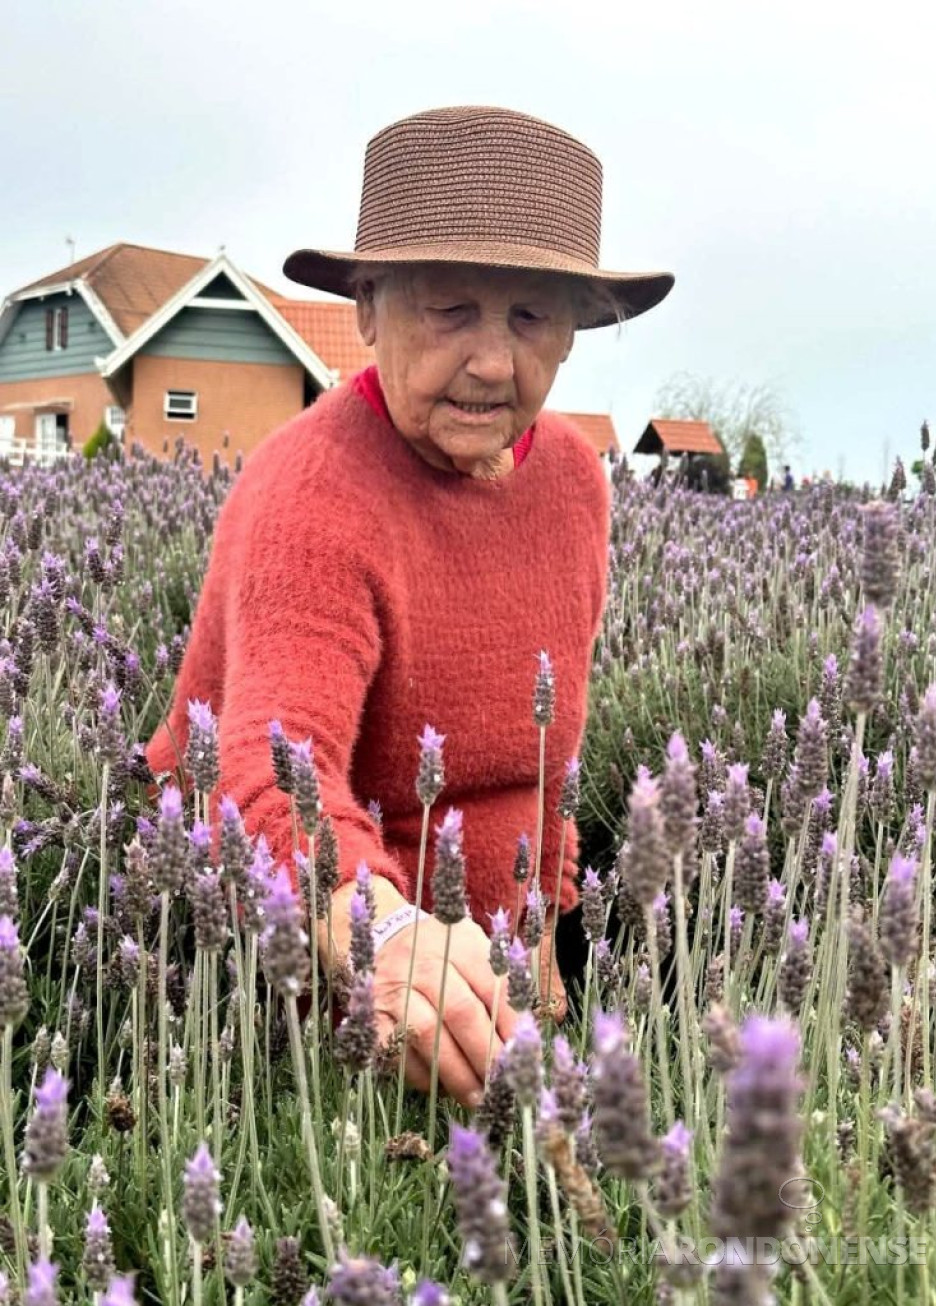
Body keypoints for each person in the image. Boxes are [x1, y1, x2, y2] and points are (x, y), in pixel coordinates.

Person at [143, 105, 674, 1107]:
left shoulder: (572, 482)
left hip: (494, 976)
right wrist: (383, 933)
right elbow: (267, 771)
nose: (489, 360)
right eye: (449, 310)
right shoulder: (312, 488)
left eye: (527, 317)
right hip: (298, 965)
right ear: (368, 310)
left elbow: (548, 754)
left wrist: (551, 919)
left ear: (570, 332)